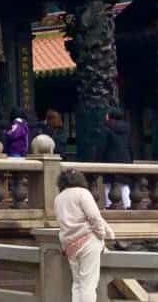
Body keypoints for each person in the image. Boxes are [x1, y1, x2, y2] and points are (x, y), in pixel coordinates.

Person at [55, 169, 116, 302]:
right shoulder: (82, 193)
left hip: (70, 245)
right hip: (88, 241)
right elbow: (94, 217)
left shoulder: (58, 198)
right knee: (88, 285)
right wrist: (101, 235)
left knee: (77, 284)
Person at [99, 108, 133, 209]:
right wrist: (131, 160)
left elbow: (103, 146)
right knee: (124, 184)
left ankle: (109, 205)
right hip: (125, 159)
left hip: (109, 159)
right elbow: (130, 145)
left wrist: (98, 159)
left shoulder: (106, 128)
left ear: (109, 116)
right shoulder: (127, 128)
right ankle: (128, 206)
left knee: (108, 183)